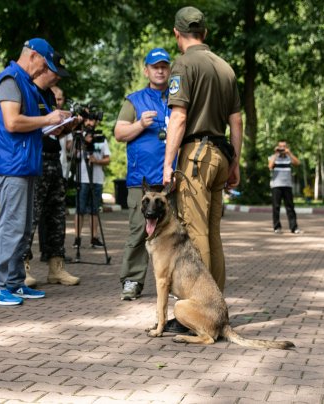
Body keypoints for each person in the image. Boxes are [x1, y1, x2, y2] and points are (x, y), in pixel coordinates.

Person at [0, 38, 71, 306]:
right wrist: (48, 119)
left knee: (22, 228)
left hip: (26, 164)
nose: (45, 71)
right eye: (44, 64)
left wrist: (56, 124)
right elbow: (12, 122)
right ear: (32, 56)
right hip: (12, 165)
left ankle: (14, 282)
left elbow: (32, 126)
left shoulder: (26, 84)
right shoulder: (10, 80)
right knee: (10, 227)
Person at [162, 6, 243, 294]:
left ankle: (201, 307)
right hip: (221, 155)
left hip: (196, 157)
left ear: (176, 33)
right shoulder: (225, 68)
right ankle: (215, 303)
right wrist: (235, 163)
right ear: (204, 32)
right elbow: (236, 121)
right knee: (213, 235)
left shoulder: (184, 65)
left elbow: (179, 117)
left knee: (196, 236)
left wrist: (168, 164)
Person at [115, 47, 172, 301]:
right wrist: (140, 124)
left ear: (169, 70)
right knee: (140, 229)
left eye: (164, 66)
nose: (160, 70)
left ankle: (175, 282)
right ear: (146, 70)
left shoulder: (178, 98)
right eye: (155, 66)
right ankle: (132, 280)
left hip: (171, 180)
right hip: (142, 181)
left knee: (175, 231)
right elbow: (118, 134)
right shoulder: (134, 101)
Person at [23, 54, 81, 287]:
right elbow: (25, 124)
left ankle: (56, 266)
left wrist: (66, 127)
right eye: (55, 72)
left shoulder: (48, 95)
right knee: (31, 215)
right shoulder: (28, 91)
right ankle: (23, 267)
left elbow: (51, 130)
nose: (57, 77)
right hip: (34, 160)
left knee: (56, 214)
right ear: (45, 70)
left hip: (53, 160)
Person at [73, 114, 110, 249]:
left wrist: (97, 161)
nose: (89, 122)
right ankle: (77, 238)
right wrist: (84, 142)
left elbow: (108, 159)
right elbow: (72, 154)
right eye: (87, 119)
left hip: (97, 179)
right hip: (82, 178)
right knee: (80, 209)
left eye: (92, 120)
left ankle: (94, 237)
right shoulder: (79, 138)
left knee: (94, 210)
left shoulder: (101, 139)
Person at [268, 140, 302, 234]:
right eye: (280, 146)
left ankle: (294, 227)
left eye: (284, 146)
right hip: (276, 186)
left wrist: (289, 153)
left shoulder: (289, 157)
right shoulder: (273, 157)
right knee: (276, 207)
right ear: (277, 147)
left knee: (290, 207)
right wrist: (276, 154)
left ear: (286, 147)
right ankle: (277, 227)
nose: (282, 148)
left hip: (287, 186)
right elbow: (270, 166)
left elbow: (297, 163)